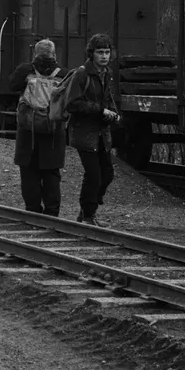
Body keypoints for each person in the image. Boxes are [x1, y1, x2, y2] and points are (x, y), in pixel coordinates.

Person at [63, 33, 121, 226]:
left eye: (107, 52)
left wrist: (112, 113)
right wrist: (99, 110)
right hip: (84, 133)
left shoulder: (107, 74)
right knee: (94, 175)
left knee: (107, 175)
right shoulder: (82, 74)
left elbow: (106, 100)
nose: (104, 56)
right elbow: (72, 103)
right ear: (91, 54)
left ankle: (87, 210)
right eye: (100, 52)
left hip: (101, 133)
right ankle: (88, 216)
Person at [7, 39, 66, 216]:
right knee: (51, 172)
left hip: (28, 130)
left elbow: (12, 86)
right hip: (54, 130)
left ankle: (33, 211)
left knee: (29, 171)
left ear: (35, 54)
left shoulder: (25, 71)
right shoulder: (63, 74)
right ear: (54, 55)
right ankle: (52, 213)